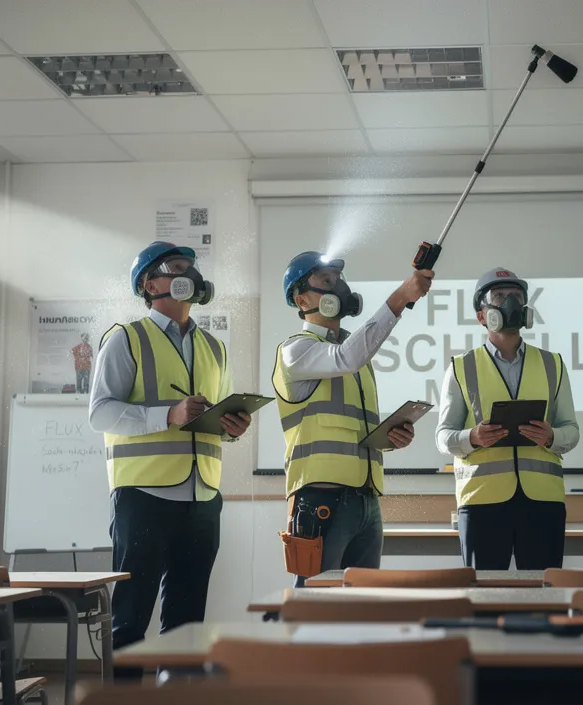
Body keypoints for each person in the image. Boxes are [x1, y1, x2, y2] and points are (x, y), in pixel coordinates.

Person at [89, 241, 250, 679]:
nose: (190, 273)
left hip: (202, 497)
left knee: (187, 623)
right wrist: (169, 415)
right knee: (130, 619)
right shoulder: (127, 338)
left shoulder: (214, 347)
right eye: (177, 267)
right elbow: (100, 411)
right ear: (149, 283)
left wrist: (230, 427)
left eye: (193, 267)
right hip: (143, 495)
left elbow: (210, 417)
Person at [273, 251, 433, 586]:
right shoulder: (296, 349)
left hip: (365, 501)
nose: (339, 288)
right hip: (320, 500)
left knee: (361, 607)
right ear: (301, 299)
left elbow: (349, 426)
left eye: (339, 280)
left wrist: (388, 438)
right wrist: (401, 298)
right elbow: (346, 358)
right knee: (315, 608)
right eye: (327, 282)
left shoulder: (352, 354)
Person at [436, 268, 579, 570]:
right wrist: (471, 438)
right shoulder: (461, 367)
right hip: (481, 502)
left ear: (526, 310)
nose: (509, 303)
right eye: (498, 297)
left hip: (542, 502)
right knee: (483, 597)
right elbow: (443, 436)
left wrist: (552, 437)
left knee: (544, 595)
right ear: (481, 315)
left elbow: (572, 430)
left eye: (516, 297)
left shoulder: (553, 364)